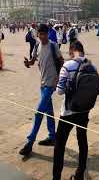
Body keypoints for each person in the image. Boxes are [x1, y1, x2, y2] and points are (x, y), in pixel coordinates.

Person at [52, 41, 96, 180]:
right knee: (82, 141)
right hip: (84, 110)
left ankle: (56, 177)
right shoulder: (92, 66)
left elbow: (59, 91)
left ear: (72, 52)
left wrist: (58, 84)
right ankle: (79, 175)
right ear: (82, 51)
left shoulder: (68, 65)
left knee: (59, 145)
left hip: (69, 112)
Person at [19, 24, 64, 156]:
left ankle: (30, 142)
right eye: (40, 34)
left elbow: (61, 61)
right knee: (48, 111)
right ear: (37, 34)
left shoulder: (53, 45)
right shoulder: (37, 46)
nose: (42, 36)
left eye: (44, 34)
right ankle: (52, 136)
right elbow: (33, 61)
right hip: (42, 83)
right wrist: (28, 63)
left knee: (39, 112)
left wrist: (58, 79)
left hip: (51, 84)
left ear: (47, 34)